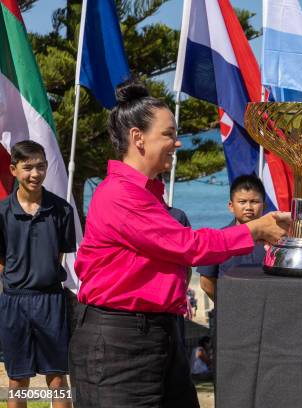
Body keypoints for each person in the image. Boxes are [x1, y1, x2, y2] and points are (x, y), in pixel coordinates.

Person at [69, 80, 288, 408]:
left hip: (158, 335)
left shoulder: (147, 195)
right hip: (120, 343)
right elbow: (189, 245)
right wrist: (255, 230)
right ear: (137, 138)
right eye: (169, 134)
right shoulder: (119, 195)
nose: (178, 142)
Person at [0, 141, 75, 408]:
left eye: (41, 166)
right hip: (14, 303)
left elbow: (61, 256)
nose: (35, 173)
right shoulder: (2, 212)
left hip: (51, 302)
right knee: (17, 380)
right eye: (28, 167)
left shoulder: (62, 210)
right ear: (14, 169)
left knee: (57, 379)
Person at [198, 174, 267, 302]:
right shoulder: (218, 238)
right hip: (229, 313)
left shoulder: (275, 242)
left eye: (254, 202)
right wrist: (229, 305)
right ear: (231, 206)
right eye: (242, 202)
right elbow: (206, 282)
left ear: (265, 205)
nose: (248, 207)